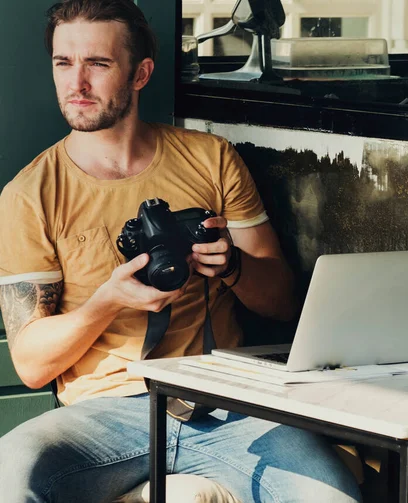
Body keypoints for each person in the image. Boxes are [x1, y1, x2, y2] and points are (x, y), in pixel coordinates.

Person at [0, 1, 362, 502]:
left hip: (224, 400)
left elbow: (283, 302)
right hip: (105, 413)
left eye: (98, 64)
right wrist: (108, 301)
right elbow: (32, 365)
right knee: (11, 473)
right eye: (64, 63)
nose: (76, 84)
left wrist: (232, 266)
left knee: (331, 495)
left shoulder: (210, 158)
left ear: (141, 73)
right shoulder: (30, 194)